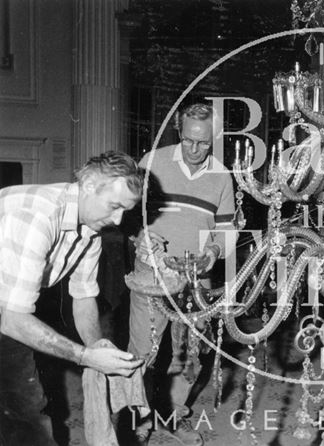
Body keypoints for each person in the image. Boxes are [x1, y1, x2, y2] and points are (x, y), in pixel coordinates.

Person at [0, 151, 145, 445]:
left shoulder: (90, 227)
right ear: (89, 184)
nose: (118, 219)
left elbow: (83, 297)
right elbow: (13, 320)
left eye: (125, 211)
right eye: (114, 206)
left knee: (26, 408)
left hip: (9, 305)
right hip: (11, 312)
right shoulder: (37, 215)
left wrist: (96, 345)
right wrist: (85, 356)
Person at [128, 103, 236, 446]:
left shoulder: (222, 176)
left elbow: (227, 228)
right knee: (143, 350)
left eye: (203, 143)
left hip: (195, 281)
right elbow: (130, 215)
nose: (194, 149)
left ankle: (174, 414)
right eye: (188, 140)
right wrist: (139, 236)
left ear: (214, 138)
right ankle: (138, 417)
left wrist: (215, 251)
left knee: (190, 354)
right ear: (179, 130)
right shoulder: (152, 162)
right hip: (151, 274)